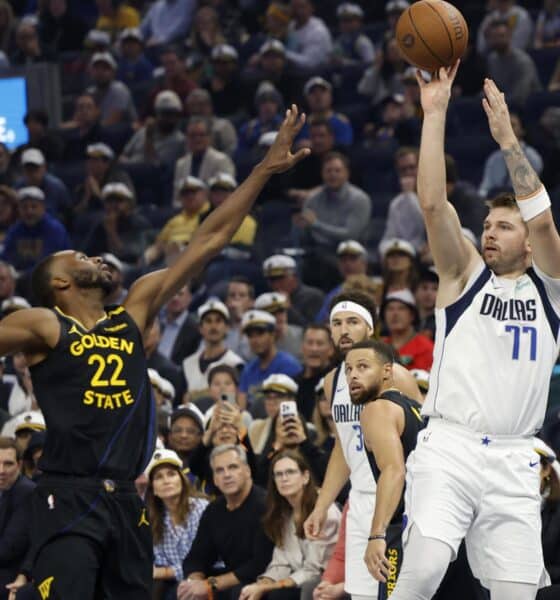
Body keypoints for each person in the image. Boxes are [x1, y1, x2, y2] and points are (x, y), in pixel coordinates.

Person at [0, 105, 309, 600]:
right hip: (69, 495)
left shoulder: (133, 311)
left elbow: (209, 238)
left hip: (127, 498)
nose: (94, 257)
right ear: (59, 282)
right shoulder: (45, 323)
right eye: (80, 258)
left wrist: (263, 171)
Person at [386, 61, 560, 599]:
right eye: (486, 224)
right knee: (423, 570)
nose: (488, 232)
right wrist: (433, 112)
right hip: (451, 445)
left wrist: (507, 137)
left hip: (515, 456)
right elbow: (434, 205)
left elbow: (547, 223)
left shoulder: (551, 290)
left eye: (503, 226)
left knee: (517, 593)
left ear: (528, 242)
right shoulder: (464, 275)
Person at [303, 290, 423, 600]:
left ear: (369, 328)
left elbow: (424, 439)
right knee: (361, 595)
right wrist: (321, 504)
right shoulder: (333, 381)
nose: (343, 329)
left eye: (352, 321)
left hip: (397, 501)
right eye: (337, 323)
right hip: (358, 502)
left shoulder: (396, 375)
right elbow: (344, 447)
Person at [345, 341, 424, 594]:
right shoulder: (417, 409)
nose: (353, 375)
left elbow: (394, 470)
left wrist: (376, 534)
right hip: (440, 528)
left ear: (387, 371)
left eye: (363, 367)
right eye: (348, 369)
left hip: (403, 531)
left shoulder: (376, 409)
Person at [239, 450, 340, 600]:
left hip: (326, 581)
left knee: (278, 596)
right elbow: (281, 562)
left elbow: (314, 570)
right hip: (298, 580)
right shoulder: (284, 513)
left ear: (305, 477)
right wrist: (263, 583)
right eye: (278, 474)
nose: (284, 479)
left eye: (290, 472)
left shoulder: (324, 510)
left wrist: (268, 587)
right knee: (245, 592)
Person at [177, 444, 275, 600]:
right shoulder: (214, 510)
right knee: (185, 591)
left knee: (238, 593)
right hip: (231, 579)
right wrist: (194, 581)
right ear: (215, 479)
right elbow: (196, 557)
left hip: (265, 580)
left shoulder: (267, 505)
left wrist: (209, 585)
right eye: (219, 470)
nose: (226, 475)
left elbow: (260, 564)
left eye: (233, 467)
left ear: (247, 471)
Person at [144, 448, 209, 596]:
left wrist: (164, 572)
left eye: (171, 474)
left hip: (207, 577)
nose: (166, 481)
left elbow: (203, 560)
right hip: (174, 582)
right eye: (159, 477)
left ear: (182, 479)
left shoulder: (201, 508)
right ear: (153, 489)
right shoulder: (153, 517)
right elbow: (159, 558)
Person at [238, 309, 302, 412]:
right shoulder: (248, 369)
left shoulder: (289, 365)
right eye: (250, 335)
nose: (255, 340)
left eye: (260, 333)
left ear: (273, 335)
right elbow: (241, 407)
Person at [182, 299, 244, 399]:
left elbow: (236, 403)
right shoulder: (188, 364)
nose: (213, 326)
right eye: (208, 321)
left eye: (218, 321)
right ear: (200, 328)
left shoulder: (235, 364)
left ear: (227, 327)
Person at [0, 437, 36, 600]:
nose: (1, 470)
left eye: (8, 464)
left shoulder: (27, 493)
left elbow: (8, 549)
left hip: (12, 576)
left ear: (19, 465)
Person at [381, 290, 434, 370]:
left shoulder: (426, 348)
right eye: (390, 309)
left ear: (412, 315)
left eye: (401, 308)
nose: (395, 314)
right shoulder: (380, 347)